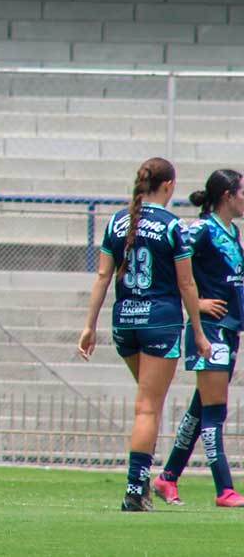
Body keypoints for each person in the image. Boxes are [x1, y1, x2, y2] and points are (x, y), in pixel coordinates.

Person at [78, 157, 211, 512]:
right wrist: (198, 331)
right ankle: (136, 490)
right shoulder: (173, 226)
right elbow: (186, 282)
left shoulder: (116, 221)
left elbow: (103, 277)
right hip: (159, 321)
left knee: (145, 403)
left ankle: (142, 487)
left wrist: (89, 326)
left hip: (124, 323)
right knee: (147, 408)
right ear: (168, 186)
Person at [154, 169, 244, 507]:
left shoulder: (230, 231)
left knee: (200, 408)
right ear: (226, 195)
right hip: (208, 328)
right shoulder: (202, 230)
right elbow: (171, 264)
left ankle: (167, 478)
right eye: (242, 192)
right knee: (214, 412)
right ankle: (224, 488)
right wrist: (197, 302)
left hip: (229, 326)